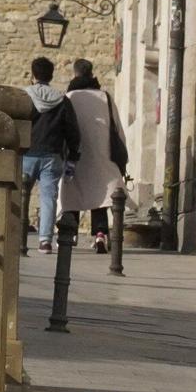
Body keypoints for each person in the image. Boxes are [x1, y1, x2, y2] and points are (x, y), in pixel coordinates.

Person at [61, 59, 128, 255]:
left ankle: (70, 232)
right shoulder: (105, 97)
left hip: (77, 151)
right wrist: (122, 155)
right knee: (99, 192)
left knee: (72, 191)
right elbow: (117, 128)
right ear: (92, 74)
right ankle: (100, 233)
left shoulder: (70, 96)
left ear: (75, 74)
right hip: (102, 152)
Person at [22, 57, 80, 254]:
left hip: (27, 153)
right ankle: (45, 240)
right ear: (51, 75)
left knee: (20, 196)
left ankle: (18, 237)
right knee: (48, 198)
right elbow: (72, 130)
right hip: (52, 154)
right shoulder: (62, 100)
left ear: (33, 74)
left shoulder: (24, 97)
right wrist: (73, 154)